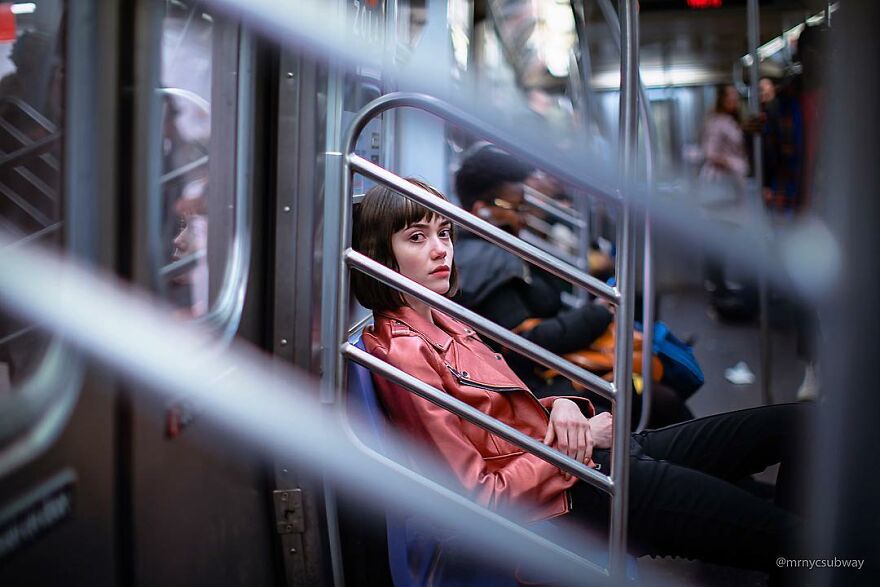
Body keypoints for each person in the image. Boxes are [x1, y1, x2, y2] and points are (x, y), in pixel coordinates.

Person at [352, 179, 809, 582]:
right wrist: (572, 445)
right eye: (417, 237)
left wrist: (565, 406)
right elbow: (479, 497)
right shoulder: (405, 354)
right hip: (580, 497)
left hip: (591, 462)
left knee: (799, 425)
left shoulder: (446, 321)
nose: (441, 250)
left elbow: (509, 419)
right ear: (380, 254)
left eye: (444, 233)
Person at [453, 145, 693, 427]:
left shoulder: (491, 250)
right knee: (658, 399)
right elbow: (525, 342)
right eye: (516, 208)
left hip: (545, 370)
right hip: (535, 384)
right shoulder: (487, 260)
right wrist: (599, 314)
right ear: (483, 211)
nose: (524, 217)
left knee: (653, 391)